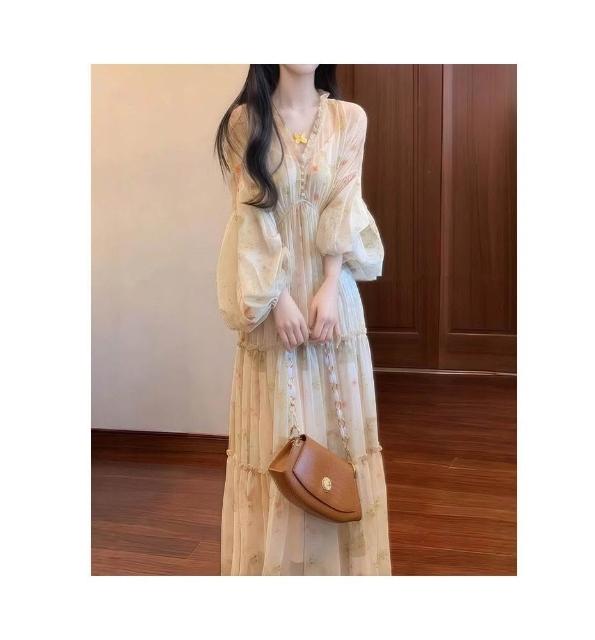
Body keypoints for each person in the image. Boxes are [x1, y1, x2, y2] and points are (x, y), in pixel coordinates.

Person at [215, 64, 391, 575]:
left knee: (338, 445)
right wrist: (278, 299)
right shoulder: (245, 123)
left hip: (332, 309)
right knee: (278, 448)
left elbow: (344, 205)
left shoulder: (349, 119)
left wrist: (331, 285)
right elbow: (249, 216)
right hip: (273, 307)